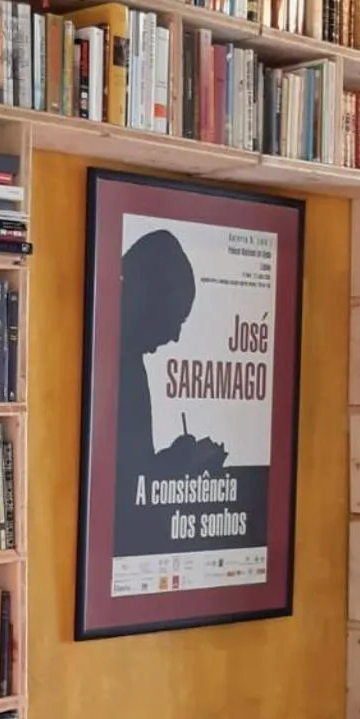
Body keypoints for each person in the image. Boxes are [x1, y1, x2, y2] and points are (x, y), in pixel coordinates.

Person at [115, 229, 226, 552]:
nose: (175, 336)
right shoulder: (121, 366)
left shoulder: (127, 361)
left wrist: (179, 457)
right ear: (149, 302)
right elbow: (127, 491)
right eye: (175, 319)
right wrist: (184, 463)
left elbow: (134, 473)